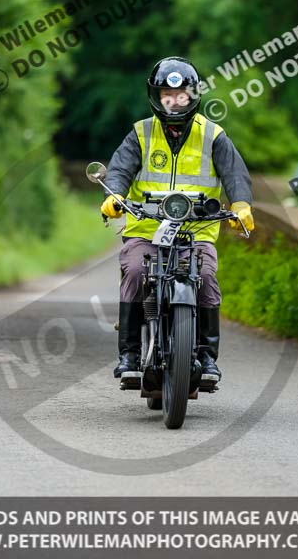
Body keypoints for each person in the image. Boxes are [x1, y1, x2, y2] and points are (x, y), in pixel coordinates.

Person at [101, 56, 254, 382]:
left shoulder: (213, 135)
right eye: (167, 95)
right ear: (155, 96)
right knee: (135, 271)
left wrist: (241, 205)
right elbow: (118, 170)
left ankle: (207, 357)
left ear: (193, 95)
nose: (174, 102)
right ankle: (128, 354)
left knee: (208, 276)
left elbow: (234, 174)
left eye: (181, 95)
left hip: (196, 231)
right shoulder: (140, 133)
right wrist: (113, 197)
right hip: (146, 230)